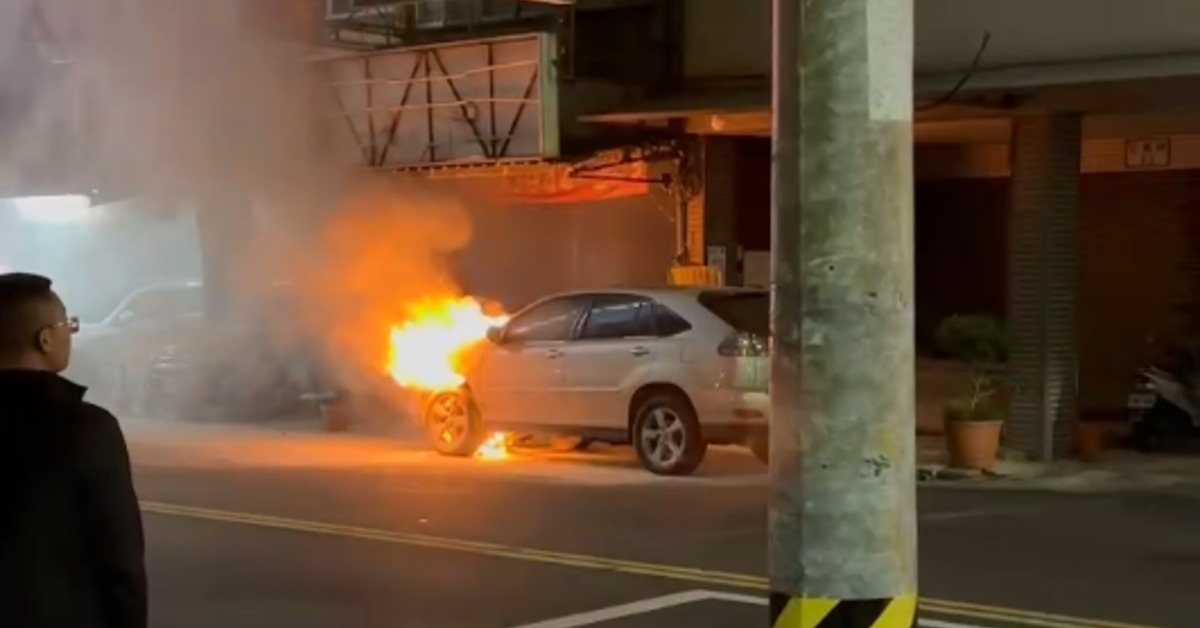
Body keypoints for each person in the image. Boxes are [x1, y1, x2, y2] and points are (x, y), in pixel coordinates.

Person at [0, 273, 147, 628]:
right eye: (68, 324)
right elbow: (119, 560)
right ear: (45, 339)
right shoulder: (84, 429)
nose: (72, 332)